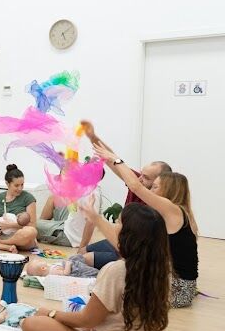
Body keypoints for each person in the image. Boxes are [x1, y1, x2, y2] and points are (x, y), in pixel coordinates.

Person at [21, 203, 170, 331]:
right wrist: (94, 217)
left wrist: (50, 313)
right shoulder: (161, 269)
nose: (114, 227)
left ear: (128, 234)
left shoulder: (117, 270)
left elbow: (87, 320)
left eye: (118, 222)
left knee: (32, 323)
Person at [86, 138, 198, 307]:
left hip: (176, 290)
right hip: (171, 282)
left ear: (168, 190)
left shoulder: (172, 210)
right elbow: (126, 248)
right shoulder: (168, 214)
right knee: (118, 267)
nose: (150, 190)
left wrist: (115, 159)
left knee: (116, 272)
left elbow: (136, 186)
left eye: (155, 187)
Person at [78, 120, 172, 265]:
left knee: (86, 259)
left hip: (134, 252)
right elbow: (111, 159)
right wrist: (92, 136)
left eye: (146, 177)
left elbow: (123, 171)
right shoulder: (138, 180)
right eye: (141, 174)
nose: (139, 179)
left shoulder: (160, 204)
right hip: (120, 240)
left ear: (159, 183)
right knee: (81, 254)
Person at [25, 256, 98, 278]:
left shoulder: (49, 269)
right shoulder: (53, 272)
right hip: (75, 270)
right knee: (90, 272)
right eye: (39, 261)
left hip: (73, 267)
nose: (40, 260)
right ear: (43, 268)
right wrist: (68, 264)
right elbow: (65, 273)